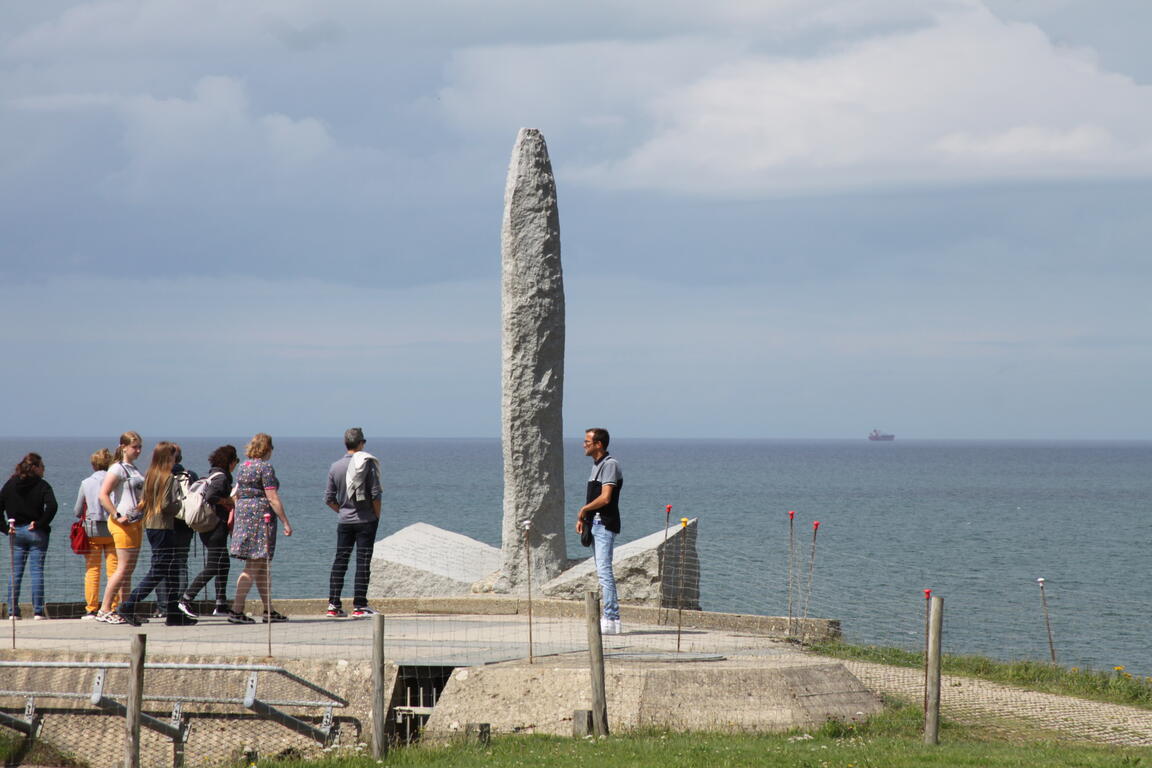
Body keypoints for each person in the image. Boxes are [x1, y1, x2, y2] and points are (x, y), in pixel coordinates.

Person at [114, 442, 195, 627]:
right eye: (174, 455)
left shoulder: (150, 475)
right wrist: (181, 505)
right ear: (169, 457)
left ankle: (173, 613)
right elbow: (167, 505)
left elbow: (146, 501)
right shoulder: (169, 478)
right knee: (159, 570)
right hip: (163, 527)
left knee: (172, 570)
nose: (176, 459)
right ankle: (128, 605)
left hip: (151, 525)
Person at [228, 433, 293, 624]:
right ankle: (237, 610)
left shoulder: (243, 467)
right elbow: (272, 496)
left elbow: (237, 493)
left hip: (244, 516)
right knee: (253, 564)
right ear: (268, 449)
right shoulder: (265, 467)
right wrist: (285, 522)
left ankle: (269, 610)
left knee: (262, 566)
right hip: (260, 518)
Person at [324, 427, 381, 618]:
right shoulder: (366, 464)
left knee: (340, 561)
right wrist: (376, 516)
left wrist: (342, 511)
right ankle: (360, 605)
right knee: (363, 562)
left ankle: (333, 604)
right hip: (366, 520)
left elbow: (329, 498)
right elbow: (375, 494)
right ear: (361, 443)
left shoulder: (335, 466)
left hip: (344, 521)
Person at [179, 445, 238, 618]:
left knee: (224, 563)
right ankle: (186, 598)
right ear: (230, 462)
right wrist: (227, 501)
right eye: (235, 461)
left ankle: (220, 603)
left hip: (207, 527)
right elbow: (211, 496)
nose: (236, 465)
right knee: (214, 565)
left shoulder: (213, 474)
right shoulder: (221, 478)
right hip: (215, 527)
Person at [575, 428, 623, 635]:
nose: (584, 445)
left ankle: (611, 618)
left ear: (598, 444)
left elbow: (605, 498)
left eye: (587, 442)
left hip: (604, 524)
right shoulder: (596, 466)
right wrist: (584, 519)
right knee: (601, 571)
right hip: (594, 523)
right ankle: (609, 617)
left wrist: (584, 509)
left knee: (604, 572)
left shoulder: (609, 465)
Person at [0, 453, 58, 620]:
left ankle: (12, 612)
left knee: (15, 573)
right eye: (42, 466)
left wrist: (5, 528)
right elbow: (52, 506)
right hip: (36, 532)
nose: (44, 469)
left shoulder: (10, 485)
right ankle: (38, 611)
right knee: (37, 571)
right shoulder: (42, 485)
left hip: (15, 531)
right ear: (35, 468)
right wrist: (40, 523)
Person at [98, 431, 146, 624]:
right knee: (123, 568)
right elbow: (104, 495)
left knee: (128, 570)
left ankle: (125, 607)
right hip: (122, 524)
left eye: (140, 446)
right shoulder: (117, 469)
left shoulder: (133, 468)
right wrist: (117, 515)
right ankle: (105, 608)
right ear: (124, 447)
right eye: (135, 447)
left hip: (135, 522)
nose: (138, 450)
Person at [74, 448, 119, 619]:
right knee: (114, 570)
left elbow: (77, 510)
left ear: (93, 465)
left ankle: (91, 608)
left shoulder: (86, 483)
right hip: (112, 529)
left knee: (92, 571)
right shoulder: (115, 481)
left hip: (92, 531)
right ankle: (112, 606)